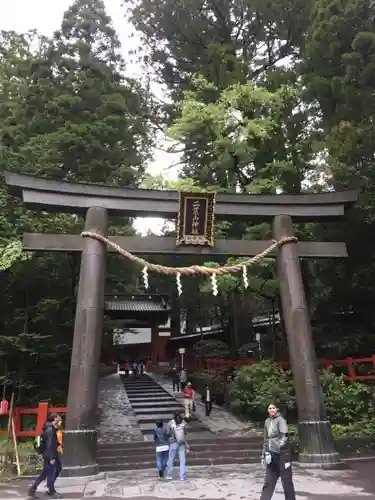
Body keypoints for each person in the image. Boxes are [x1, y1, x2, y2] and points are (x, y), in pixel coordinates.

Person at [259, 404, 296, 500]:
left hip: (282, 455)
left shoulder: (281, 420)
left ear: (277, 409)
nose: (271, 410)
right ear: (267, 410)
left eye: (273, 408)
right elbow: (266, 439)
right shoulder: (267, 422)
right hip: (271, 455)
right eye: (270, 408)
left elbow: (284, 436)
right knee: (268, 481)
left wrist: (279, 446)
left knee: (286, 481)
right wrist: (264, 454)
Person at [28, 413, 62, 499]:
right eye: (58, 418)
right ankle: (51, 491)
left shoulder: (50, 428)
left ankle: (33, 489)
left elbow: (52, 442)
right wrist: (52, 457)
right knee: (50, 472)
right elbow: (50, 444)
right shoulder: (50, 429)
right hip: (49, 454)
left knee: (52, 470)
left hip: (49, 453)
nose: (60, 420)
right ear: (54, 419)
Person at [166, 412, 187, 481]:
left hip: (173, 443)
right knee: (182, 460)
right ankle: (182, 476)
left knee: (171, 459)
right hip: (181, 443)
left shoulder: (170, 423)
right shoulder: (183, 422)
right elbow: (185, 432)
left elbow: (168, 432)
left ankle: (169, 475)